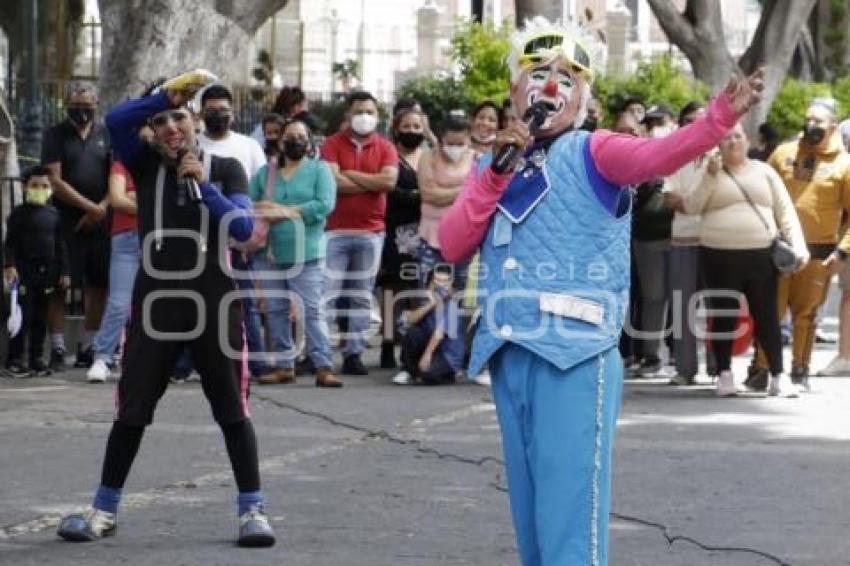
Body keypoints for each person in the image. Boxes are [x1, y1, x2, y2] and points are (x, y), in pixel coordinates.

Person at [437, 17, 764, 565]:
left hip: (574, 355)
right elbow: (452, 245)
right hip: (509, 353)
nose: (551, 87)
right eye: (538, 74)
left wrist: (719, 117)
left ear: (584, 99)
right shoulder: (496, 163)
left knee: (570, 525)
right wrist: (493, 174)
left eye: (567, 78)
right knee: (533, 523)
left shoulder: (597, 150)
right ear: (516, 92)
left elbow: (661, 156)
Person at [56, 70, 275, 546]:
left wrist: (206, 185)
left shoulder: (225, 168)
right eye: (161, 120)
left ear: (195, 121)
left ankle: (252, 510)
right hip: (156, 305)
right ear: (151, 130)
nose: (172, 126)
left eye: (179, 116)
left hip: (215, 305)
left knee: (232, 410)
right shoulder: (144, 163)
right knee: (131, 409)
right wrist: (164, 94)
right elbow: (116, 119)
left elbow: (242, 230)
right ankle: (104, 510)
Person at [681, 123, 808, 397]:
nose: (733, 142)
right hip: (718, 255)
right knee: (723, 315)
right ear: (719, 144)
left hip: (760, 255)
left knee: (767, 316)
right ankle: (724, 374)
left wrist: (799, 246)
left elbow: (785, 211)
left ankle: (777, 375)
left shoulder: (765, 172)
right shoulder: (709, 172)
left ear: (747, 140)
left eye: (738, 136)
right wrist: (710, 177)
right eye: (726, 138)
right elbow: (691, 207)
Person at [753, 97, 850, 389]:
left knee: (806, 316)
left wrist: (843, 250)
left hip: (819, 251)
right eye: (808, 119)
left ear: (832, 126)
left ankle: (799, 370)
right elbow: (760, 190)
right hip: (779, 248)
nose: (811, 125)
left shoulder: (844, 164)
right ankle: (761, 369)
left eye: (819, 121)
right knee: (771, 310)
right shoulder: (783, 153)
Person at [251, 118, 340, 387]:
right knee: (276, 310)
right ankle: (283, 365)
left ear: (309, 141)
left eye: (301, 136)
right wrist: (276, 210)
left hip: (307, 253)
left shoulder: (319, 170)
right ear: (280, 142)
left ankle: (323, 365)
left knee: (311, 310)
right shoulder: (265, 174)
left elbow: (324, 205)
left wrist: (285, 211)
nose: (295, 141)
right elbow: (251, 203)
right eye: (290, 136)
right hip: (270, 252)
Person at [320, 90, 398, 375]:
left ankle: (354, 353)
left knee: (361, 295)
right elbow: (333, 183)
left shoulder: (387, 147)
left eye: (370, 112)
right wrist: (371, 182)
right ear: (348, 116)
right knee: (327, 293)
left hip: (371, 232)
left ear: (377, 117)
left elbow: (389, 182)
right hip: (335, 231)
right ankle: (321, 354)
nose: (364, 117)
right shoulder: (331, 144)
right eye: (359, 112)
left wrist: (349, 174)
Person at [198, 84, 269, 382]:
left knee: (244, 304)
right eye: (212, 110)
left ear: (233, 113)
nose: (218, 115)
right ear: (201, 113)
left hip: (240, 240)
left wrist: (252, 239)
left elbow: (261, 193)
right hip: (199, 240)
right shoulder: (194, 145)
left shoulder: (248, 147)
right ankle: (190, 362)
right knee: (197, 303)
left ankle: (255, 362)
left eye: (223, 110)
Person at [41, 81, 111, 371]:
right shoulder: (54, 135)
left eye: (88, 105)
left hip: (101, 223)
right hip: (66, 223)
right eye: (77, 104)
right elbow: (54, 181)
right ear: (67, 104)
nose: (82, 110)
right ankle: (58, 347)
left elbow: (117, 176)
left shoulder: (107, 134)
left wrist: (101, 209)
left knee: (100, 286)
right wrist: (89, 207)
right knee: (61, 285)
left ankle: (88, 344)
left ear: (97, 105)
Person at [3, 166, 70, 377]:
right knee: (23, 316)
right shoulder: (18, 214)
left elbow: (60, 244)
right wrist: (9, 266)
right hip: (24, 273)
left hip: (48, 274)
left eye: (44, 186)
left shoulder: (54, 214)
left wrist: (64, 271)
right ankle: (15, 359)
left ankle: (36, 358)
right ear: (24, 187)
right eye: (34, 186)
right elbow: (10, 243)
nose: (39, 189)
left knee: (42, 317)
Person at [661, 101, 709, 385]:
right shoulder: (676, 156)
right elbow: (669, 197)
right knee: (683, 307)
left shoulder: (720, 153)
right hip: (682, 237)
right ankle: (685, 368)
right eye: (688, 121)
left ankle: (719, 367)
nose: (695, 126)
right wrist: (700, 203)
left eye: (700, 120)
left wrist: (689, 202)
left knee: (718, 305)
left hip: (715, 239)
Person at [378, 107, 426, 369]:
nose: (412, 132)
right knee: (391, 289)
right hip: (394, 228)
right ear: (396, 129)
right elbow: (386, 188)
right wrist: (412, 195)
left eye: (417, 127)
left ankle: (413, 346)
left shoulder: (429, 157)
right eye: (406, 127)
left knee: (419, 288)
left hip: (425, 230)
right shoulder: (390, 156)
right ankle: (387, 344)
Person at [417, 116, 474, 289]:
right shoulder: (428, 158)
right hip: (432, 236)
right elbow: (429, 194)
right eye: (451, 143)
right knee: (432, 293)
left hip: (464, 236)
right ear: (442, 139)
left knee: (458, 291)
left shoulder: (476, 159)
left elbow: (480, 194)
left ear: (468, 140)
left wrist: (447, 193)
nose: (455, 148)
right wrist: (466, 190)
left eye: (460, 144)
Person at [392, 265, 464, 385]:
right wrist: (431, 304)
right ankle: (408, 371)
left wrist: (427, 355)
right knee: (413, 333)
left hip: (446, 354)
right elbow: (409, 320)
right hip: (429, 347)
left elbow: (439, 334)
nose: (440, 286)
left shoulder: (452, 305)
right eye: (437, 281)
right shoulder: (423, 300)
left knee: (429, 375)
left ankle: (450, 374)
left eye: (445, 282)